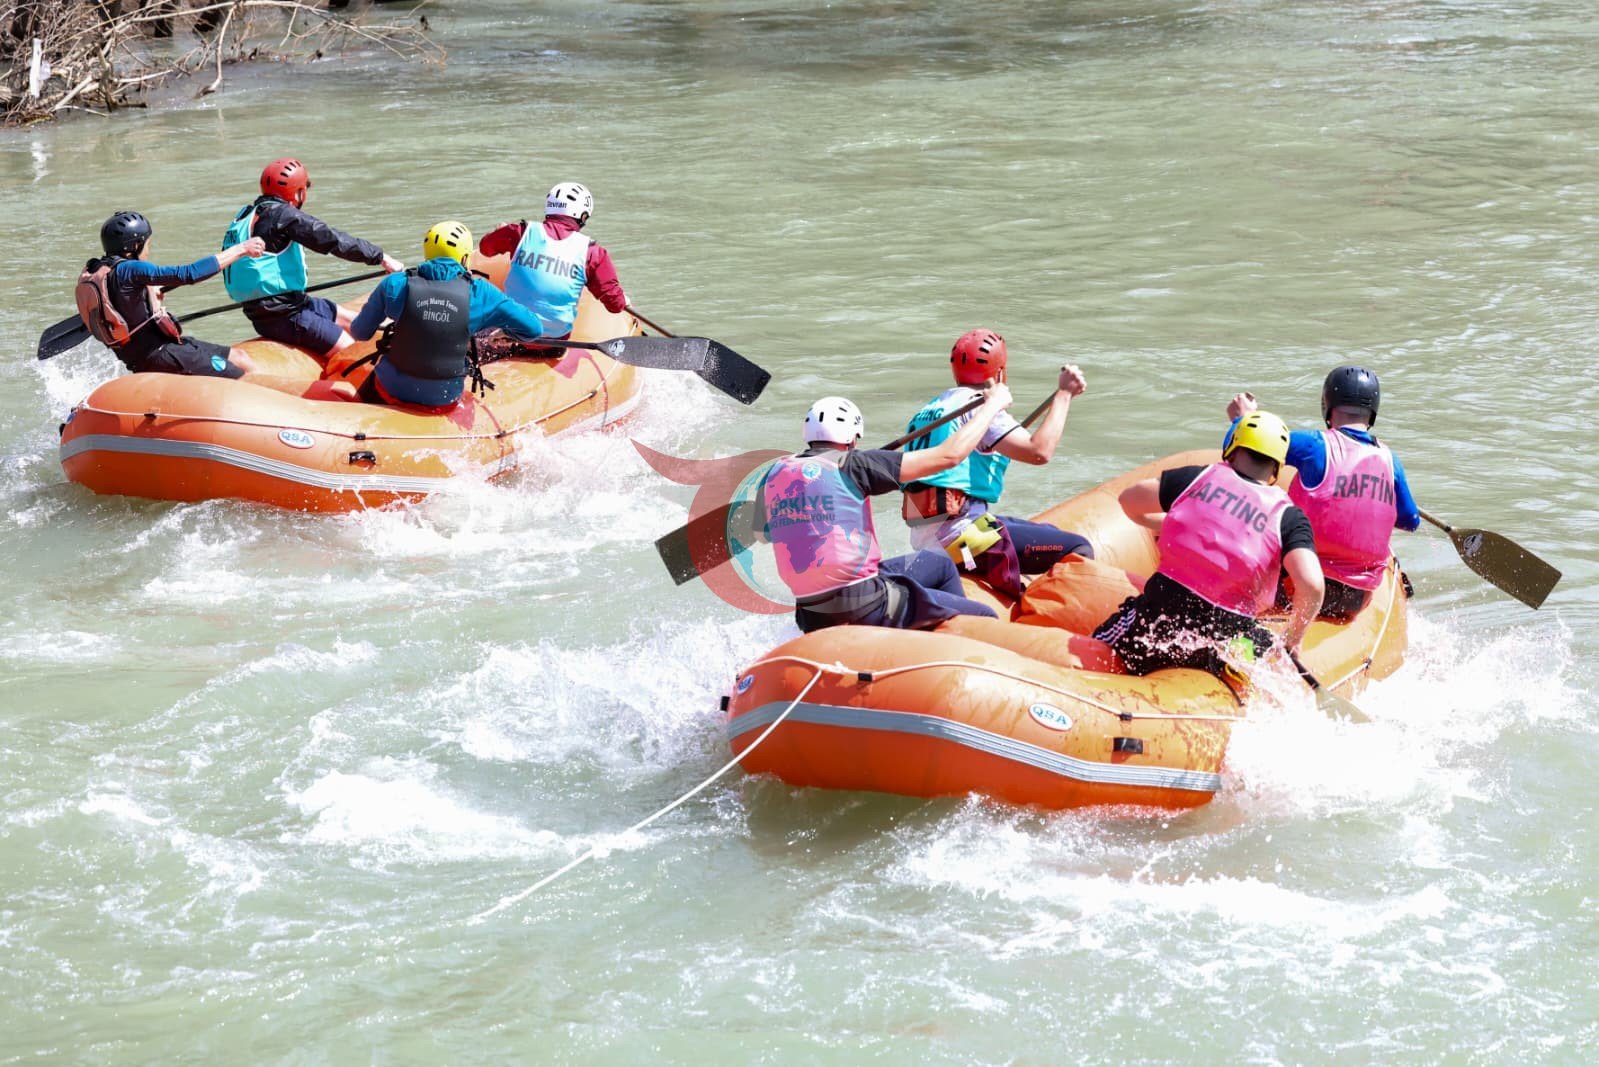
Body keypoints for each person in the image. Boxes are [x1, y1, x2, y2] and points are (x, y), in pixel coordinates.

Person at [759, 387, 1016, 633]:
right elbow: (949, 456)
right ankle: (952, 639)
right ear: (851, 438)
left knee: (939, 564)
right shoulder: (855, 465)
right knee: (984, 615)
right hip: (865, 603)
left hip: (809, 613)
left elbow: (764, 533)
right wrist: (993, 404)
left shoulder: (774, 474)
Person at [1093, 411, 1325, 680]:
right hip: (1226, 639)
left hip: (1158, 622)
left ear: (1233, 446)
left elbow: (1128, 500)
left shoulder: (1196, 478)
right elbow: (1312, 585)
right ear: (1277, 466)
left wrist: (1165, 523)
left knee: (1102, 638)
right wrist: (1293, 639)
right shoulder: (1289, 517)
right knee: (1260, 642)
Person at [901, 328, 1094, 600]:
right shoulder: (981, 406)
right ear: (1000, 373)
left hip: (927, 538)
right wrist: (1064, 394)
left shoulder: (929, 411)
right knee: (1078, 548)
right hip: (961, 538)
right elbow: (1039, 451)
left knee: (1049, 532)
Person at [1227, 366, 1419, 620]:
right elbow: (1410, 520)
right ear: (1372, 412)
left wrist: (1243, 418)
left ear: (1327, 406)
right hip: (1356, 598)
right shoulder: (1390, 460)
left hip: (1297, 586)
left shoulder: (1313, 446)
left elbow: (1252, 447)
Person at [346, 221, 550, 409]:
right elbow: (533, 329)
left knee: (372, 383)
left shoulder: (394, 284)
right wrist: (506, 333)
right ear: (465, 258)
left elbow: (359, 332)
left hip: (390, 389)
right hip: (444, 398)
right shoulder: (482, 293)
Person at [220, 157, 402, 360]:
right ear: (298, 193)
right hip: (284, 316)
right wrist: (381, 257)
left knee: (354, 321)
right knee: (351, 351)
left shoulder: (245, 215)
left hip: (283, 306)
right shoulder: (284, 216)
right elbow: (331, 239)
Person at [76, 210, 266, 378]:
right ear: (135, 246)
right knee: (240, 376)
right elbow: (189, 274)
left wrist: (148, 295)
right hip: (161, 354)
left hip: (148, 353)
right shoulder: (131, 269)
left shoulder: (99, 271)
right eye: (147, 244)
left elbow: (122, 300)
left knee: (240, 358)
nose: (148, 250)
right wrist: (242, 249)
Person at [478, 182, 629, 352]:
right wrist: (624, 301)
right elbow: (615, 305)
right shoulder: (592, 253)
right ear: (583, 216)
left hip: (508, 336)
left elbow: (485, 248)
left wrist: (501, 232)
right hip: (554, 345)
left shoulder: (519, 232)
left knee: (476, 328)